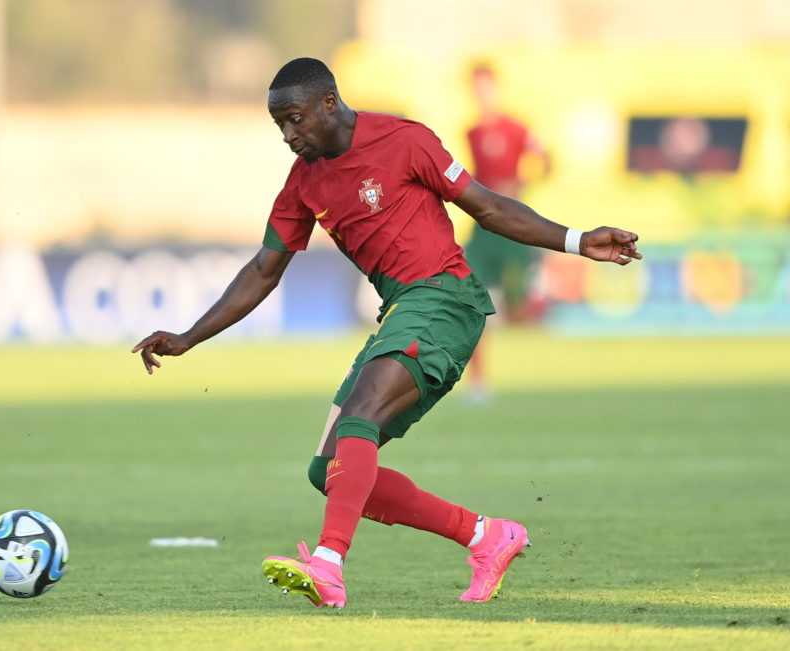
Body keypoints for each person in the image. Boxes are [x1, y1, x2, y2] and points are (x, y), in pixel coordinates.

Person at [132, 58, 640, 609]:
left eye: (296, 119)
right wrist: (188, 336)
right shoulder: (303, 184)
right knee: (329, 470)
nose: (289, 134)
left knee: (361, 414)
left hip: (445, 298)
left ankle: (328, 563)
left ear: (330, 102)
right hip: (402, 309)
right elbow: (263, 270)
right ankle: (486, 536)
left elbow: (488, 208)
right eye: (280, 125)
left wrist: (576, 240)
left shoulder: (404, 141)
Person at [464, 63, 552, 400]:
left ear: (496, 89)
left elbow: (547, 161)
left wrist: (520, 184)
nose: (482, 94)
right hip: (483, 227)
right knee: (469, 301)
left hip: (512, 225)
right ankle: (479, 382)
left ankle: (540, 298)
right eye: (476, 88)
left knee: (519, 312)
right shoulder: (470, 132)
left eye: (486, 87)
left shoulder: (516, 128)